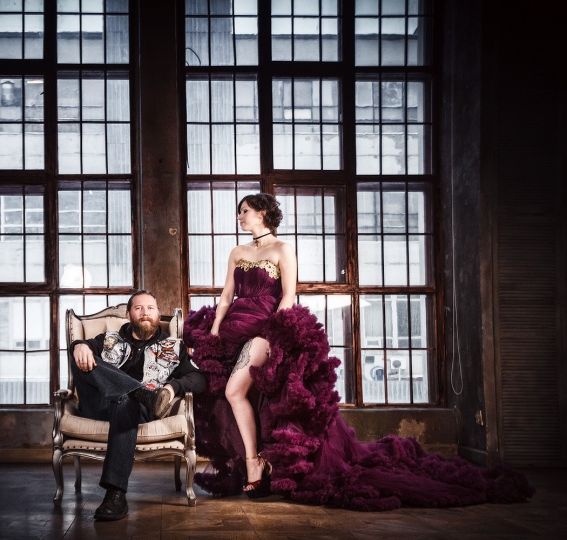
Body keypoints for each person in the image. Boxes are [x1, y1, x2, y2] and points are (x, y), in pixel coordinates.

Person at [184, 193, 534, 510]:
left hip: (264, 328)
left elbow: (288, 294)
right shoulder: (237, 252)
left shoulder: (282, 250)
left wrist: (276, 330)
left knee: (234, 391)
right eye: (239, 212)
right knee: (229, 394)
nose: (240, 217)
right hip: (232, 328)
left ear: (262, 213)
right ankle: (257, 461)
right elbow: (226, 297)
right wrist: (214, 333)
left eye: (244, 211)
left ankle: (254, 463)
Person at [70, 290, 207, 521]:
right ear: (128, 314)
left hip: (137, 411)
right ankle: (141, 393)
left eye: (150, 308)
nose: (145, 313)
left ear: (158, 314)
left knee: (125, 403)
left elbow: (199, 378)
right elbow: (83, 357)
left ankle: (115, 495)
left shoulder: (174, 347)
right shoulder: (107, 340)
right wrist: (78, 345)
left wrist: (172, 387)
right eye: (138, 308)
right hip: (100, 406)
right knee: (81, 360)